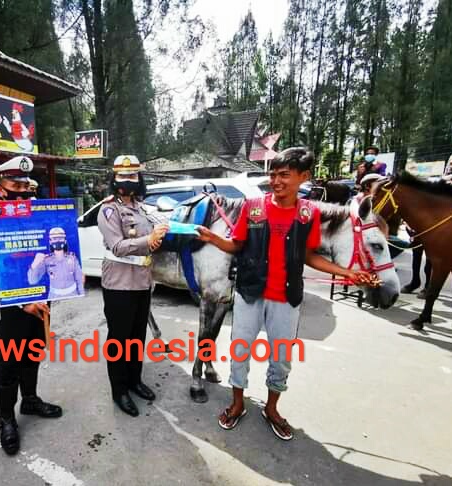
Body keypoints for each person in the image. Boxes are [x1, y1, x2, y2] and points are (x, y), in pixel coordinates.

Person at [197, 147, 375, 441]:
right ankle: (238, 402)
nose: (276, 181)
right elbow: (236, 245)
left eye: (284, 175)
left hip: (287, 298)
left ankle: (271, 408)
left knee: (281, 358)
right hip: (250, 294)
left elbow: (310, 256)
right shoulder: (252, 207)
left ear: (304, 176)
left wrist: (347, 273)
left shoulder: (309, 214)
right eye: (273, 174)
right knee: (240, 351)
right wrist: (214, 237)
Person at [0, 155, 62, 456]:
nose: (23, 191)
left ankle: (30, 399)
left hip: (41, 301)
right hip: (13, 306)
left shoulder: (39, 220)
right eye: (16, 185)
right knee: (10, 362)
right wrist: (24, 301)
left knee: (33, 352)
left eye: (26, 186)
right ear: (1, 190)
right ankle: (6, 420)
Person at [97, 155, 169, 417]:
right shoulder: (108, 210)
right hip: (118, 283)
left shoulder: (142, 208)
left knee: (137, 336)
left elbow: (151, 241)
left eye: (132, 177)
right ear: (113, 179)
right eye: (122, 177)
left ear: (139, 180)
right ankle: (119, 390)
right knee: (119, 339)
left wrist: (158, 238)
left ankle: (134, 381)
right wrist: (149, 239)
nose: (127, 182)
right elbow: (117, 245)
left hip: (141, 281)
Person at [28, 227, 84, 299]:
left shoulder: (72, 257)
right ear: (50, 241)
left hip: (73, 295)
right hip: (54, 297)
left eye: (60, 238)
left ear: (65, 241)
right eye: (54, 238)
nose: (58, 240)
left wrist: (81, 295)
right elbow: (32, 281)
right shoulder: (46, 260)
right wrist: (34, 264)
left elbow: (79, 279)